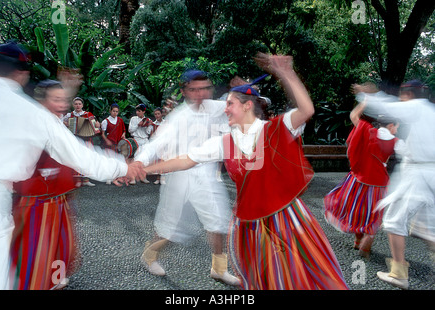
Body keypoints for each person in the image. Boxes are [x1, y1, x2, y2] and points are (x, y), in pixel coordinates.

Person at [140, 53, 349, 290]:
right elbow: (186, 159)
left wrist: (285, 73)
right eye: (225, 103)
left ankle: (218, 269)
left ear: (247, 106)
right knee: (264, 279)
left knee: (298, 277)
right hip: (248, 226)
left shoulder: (275, 129)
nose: (224, 108)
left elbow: (306, 109)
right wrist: (143, 168)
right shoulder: (224, 141)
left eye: (229, 104)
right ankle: (160, 257)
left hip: (285, 220)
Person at [0, 41, 138, 290]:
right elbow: (79, 155)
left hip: (53, 200)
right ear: (23, 74)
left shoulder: (44, 116)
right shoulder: (32, 114)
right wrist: (123, 168)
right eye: (56, 99)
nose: (62, 103)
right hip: (21, 202)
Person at [131, 69, 239, 286]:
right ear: (184, 91)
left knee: (218, 221)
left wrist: (242, 90)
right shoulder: (177, 117)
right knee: (169, 228)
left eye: (205, 89)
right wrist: (139, 162)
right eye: (194, 89)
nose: (200, 94)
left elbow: (244, 105)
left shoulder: (217, 107)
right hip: (178, 177)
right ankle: (149, 256)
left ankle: (219, 269)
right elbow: (155, 144)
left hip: (207, 175)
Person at [359, 79, 435, 289]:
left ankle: (399, 272)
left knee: (393, 220)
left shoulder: (416, 107)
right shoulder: (432, 111)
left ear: (408, 94)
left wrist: (368, 95)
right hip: (432, 173)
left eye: (403, 95)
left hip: (417, 173)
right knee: (430, 229)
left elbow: (385, 106)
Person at [10, 80, 79, 290]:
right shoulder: (31, 123)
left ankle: (55, 277)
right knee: (36, 246)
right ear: (41, 101)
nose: (62, 104)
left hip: (58, 194)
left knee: (61, 243)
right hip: (36, 197)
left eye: (64, 99)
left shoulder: (57, 121)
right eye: (56, 99)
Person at [324, 92, 400, 259]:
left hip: (358, 180)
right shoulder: (395, 141)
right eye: (396, 126)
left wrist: (365, 101)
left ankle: (358, 241)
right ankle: (366, 245)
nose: (397, 129)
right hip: (379, 183)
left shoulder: (366, 129)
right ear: (391, 125)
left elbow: (353, 115)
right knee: (373, 216)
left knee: (358, 211)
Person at [63, 97, 101, 187]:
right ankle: (77, 180)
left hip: (87, 140)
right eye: (76, 104)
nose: (78, 105)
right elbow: (60, 122)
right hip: (75, 139)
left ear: (82, 105)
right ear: (73, 105)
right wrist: (66, 124)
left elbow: (96, 127)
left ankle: (86, 179)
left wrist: (97, 125)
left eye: (79, 104)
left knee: (86, 159)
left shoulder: (88, 114)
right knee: (76, 159)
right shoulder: (69, 115)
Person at [100, 103, 127, 184]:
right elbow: (102, 133)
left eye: (116, 111)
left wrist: (123, 134)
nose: (115, 113)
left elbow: (124, 130)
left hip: (118, 144)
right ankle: (109, 177)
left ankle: (116, 177)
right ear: (110, 111)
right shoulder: (106, 121)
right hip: (110, 144)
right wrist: (106, 140)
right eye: (113, 111)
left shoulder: (120, 120)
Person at [128, 104, 153, 184]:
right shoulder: (133, 119)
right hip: (137, 140)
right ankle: (132, 178)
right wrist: (138, 125)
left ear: (143, 111)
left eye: (139, 111)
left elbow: (148, 132)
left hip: (145, 140)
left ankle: (143, 177)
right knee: (135, 159)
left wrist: (148, 125)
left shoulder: (148, 119)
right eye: (137, 111)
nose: (137, 112)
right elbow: (130, 130)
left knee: (145, 160)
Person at [152, 107, 166, 185]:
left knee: (163, 160)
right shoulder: (153, 124)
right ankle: (158, 178)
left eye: (158, 114)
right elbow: (152, 134)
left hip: (164, 143)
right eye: (155, 114)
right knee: (157, 160)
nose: (157, 115)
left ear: (161, 114)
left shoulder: (165, 123)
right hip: (157, 143)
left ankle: (163, 178)